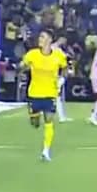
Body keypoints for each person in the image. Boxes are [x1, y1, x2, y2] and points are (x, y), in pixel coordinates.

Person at [20, 29, 67, 162]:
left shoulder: (58, 56)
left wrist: (62, 79)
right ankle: (34, 117)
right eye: (40, 37)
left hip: (50, 93)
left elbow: (65, 68)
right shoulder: (32, 54)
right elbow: (22, 66)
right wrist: (22, 67)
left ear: (50, 40)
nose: (40, 39)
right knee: (35, 123)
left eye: (42, 37)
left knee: (49, 120)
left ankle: (46, 151)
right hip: (34, 93)